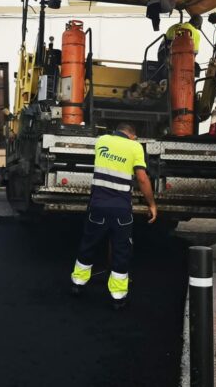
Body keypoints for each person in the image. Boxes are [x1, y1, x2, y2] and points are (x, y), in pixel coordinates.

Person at [70, 123, 158, 311]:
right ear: (132, 136)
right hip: (121, 210)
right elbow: (142, 178)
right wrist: (151, 204)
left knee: (89, 244)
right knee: (121, 250)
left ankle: (77, 284)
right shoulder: (135, 147)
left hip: (98, 206)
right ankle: (118, 297)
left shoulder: (102, 141)